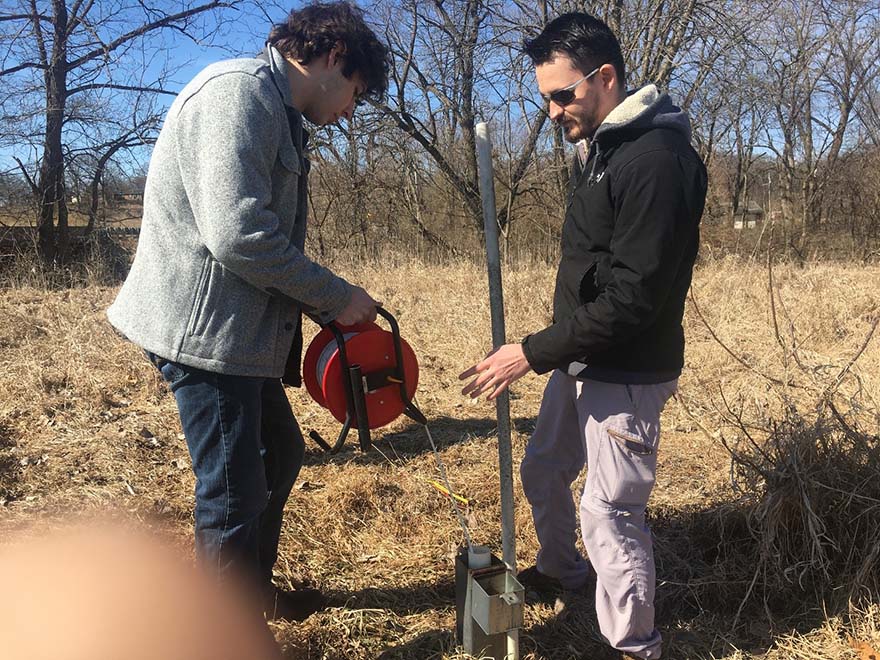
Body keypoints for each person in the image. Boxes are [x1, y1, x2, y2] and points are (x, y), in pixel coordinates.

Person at [107, 1, 389, 622]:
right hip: (203, 334)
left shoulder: (279, 111)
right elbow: (239, 235)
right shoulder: (238, 94)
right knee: (234, 492)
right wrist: (336, 296)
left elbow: (261, 242)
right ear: (332, 58)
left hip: (238, 335)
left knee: (280, 455)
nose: (347, 112)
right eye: (354, 94)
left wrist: (324, 308)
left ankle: (248, 600)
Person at [459, 12, 706, 660]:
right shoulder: (602, 149)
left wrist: (531, 352)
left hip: (627, 368)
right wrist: (555, 352)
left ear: (605, 77)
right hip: (581, 359)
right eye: (544, 96)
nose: (551, 111)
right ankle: (561, 571)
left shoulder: (656, 160)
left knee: (610, 513)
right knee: (543, 468)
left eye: (562, 94)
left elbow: (634, 299)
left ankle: (636, 645)